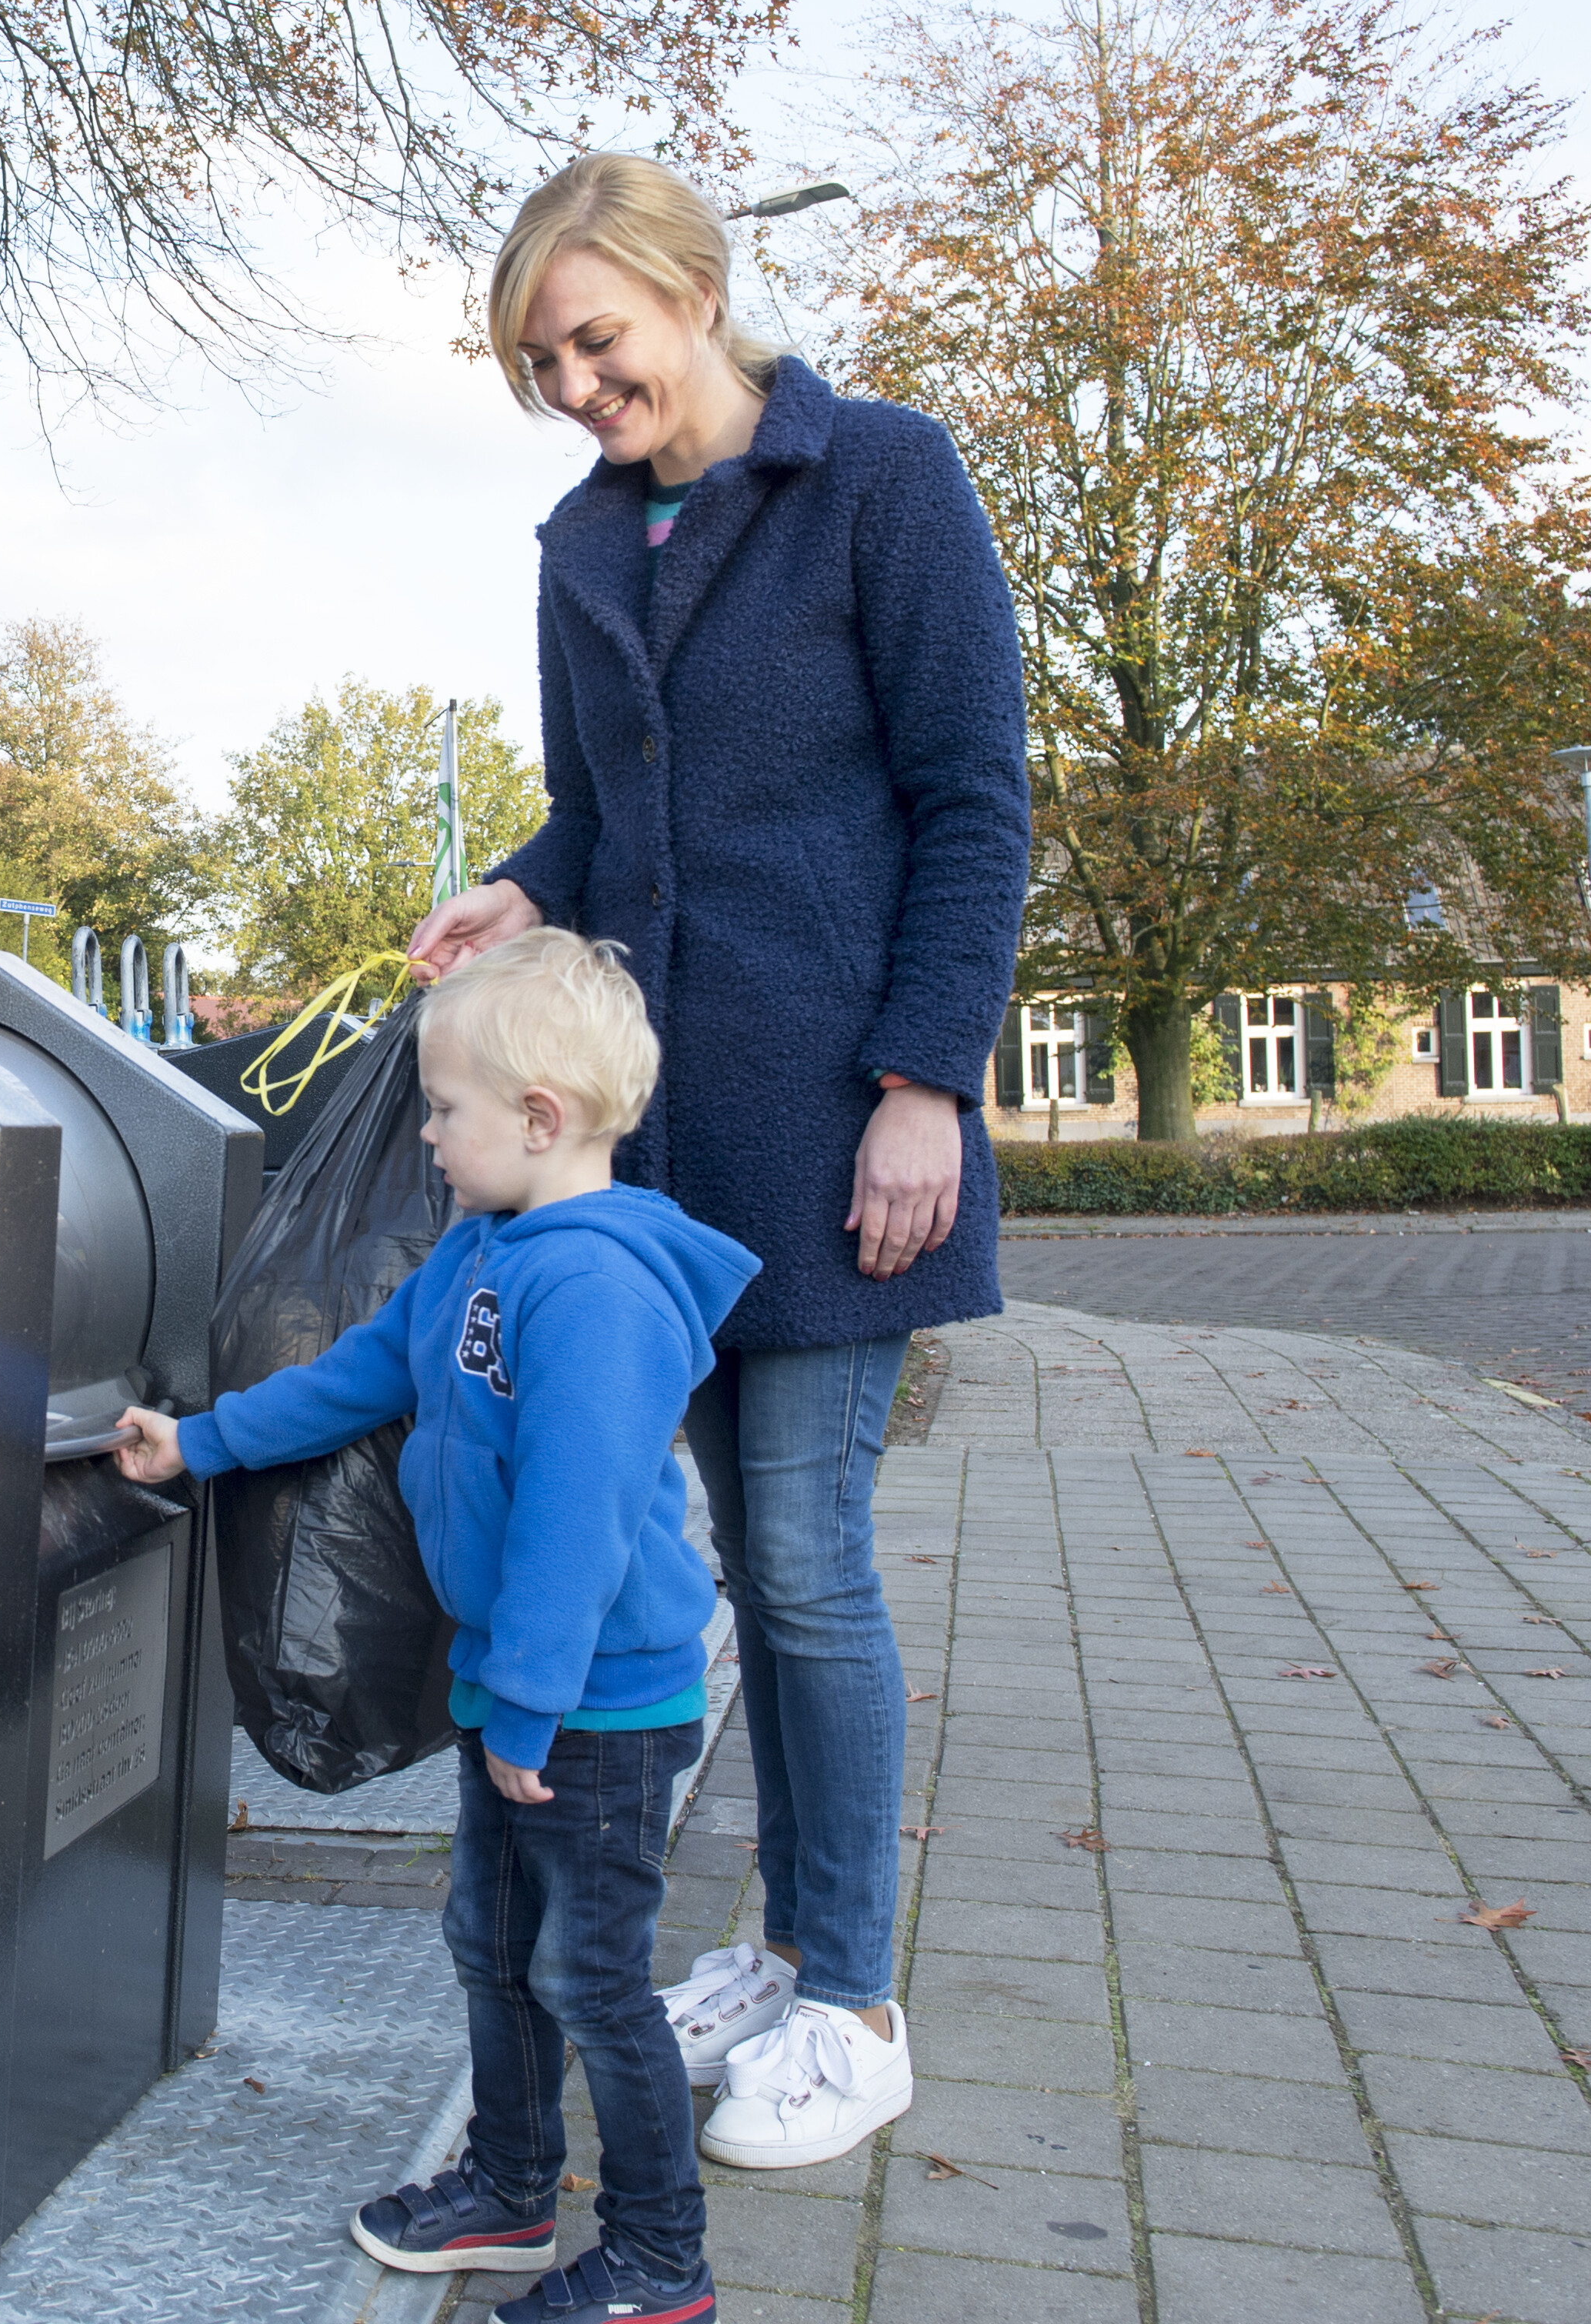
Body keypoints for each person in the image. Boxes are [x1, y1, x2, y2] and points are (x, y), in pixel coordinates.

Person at [407, 152, 1029, 2172]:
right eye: (544, 361)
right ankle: (776, 1945)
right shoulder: (581, 546)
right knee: (727, 1572)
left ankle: (850, 1996)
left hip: (847, 1124)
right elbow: (602, 820)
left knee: (807, 1559)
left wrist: (929, 1076)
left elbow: (972, 796)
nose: (580, 384)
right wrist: (517, 892)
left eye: (601, 338)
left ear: (693, 290)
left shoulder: (883, 481)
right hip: (659, 1160)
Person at [116, 930, 757, 2324]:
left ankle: (661, 2260)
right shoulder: (482, 1253)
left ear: (541, 1118)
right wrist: (203, 1442)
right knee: (492, 1942)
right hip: (514, 1691)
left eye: (446, 1107)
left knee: (592, 1976)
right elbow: (356, 1377)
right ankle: (512, 2185)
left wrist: (525, 1703)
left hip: (594, 1700)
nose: (426, 1130)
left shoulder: (594, 1288)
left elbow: (575, 1525)